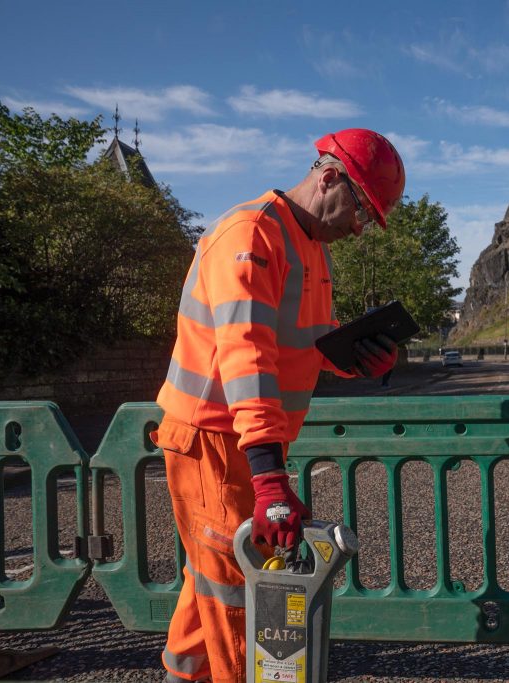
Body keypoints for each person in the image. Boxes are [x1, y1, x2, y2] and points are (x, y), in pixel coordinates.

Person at [150, 129, 405, 683]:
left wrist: (355, 359)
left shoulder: (308, 245)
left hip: (241, 443)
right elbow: (247, 355)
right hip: (213, 443)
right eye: (362, 209)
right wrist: (270, 479)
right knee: (241, 599)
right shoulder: (251, 233)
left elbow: (303, 342)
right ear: (329, 176)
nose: (360, 227)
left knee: (210, 587)